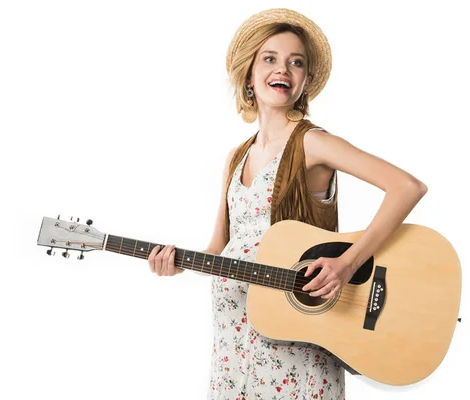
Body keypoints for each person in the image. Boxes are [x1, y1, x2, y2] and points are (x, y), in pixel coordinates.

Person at [148, 8, 428, 399]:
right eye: (270, 58)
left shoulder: (313, 143)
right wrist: (176, 262)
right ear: (249, 73)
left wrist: (347, 264)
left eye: (296, 63)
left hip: (296, 350)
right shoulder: (236, 157)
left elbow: (407, 187)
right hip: (234, 348)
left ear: (306, 81)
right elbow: (219, 251)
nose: (283, 69)